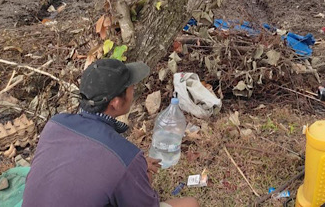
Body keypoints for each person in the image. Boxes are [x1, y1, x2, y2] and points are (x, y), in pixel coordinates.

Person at [22, 58, 199, 207]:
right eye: (130, 86)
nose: (133, 89)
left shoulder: (56, 124)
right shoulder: (125, 157)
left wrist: (133, 167)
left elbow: (83, 160)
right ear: (115, 102)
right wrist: (138, 173)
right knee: (190, 203)